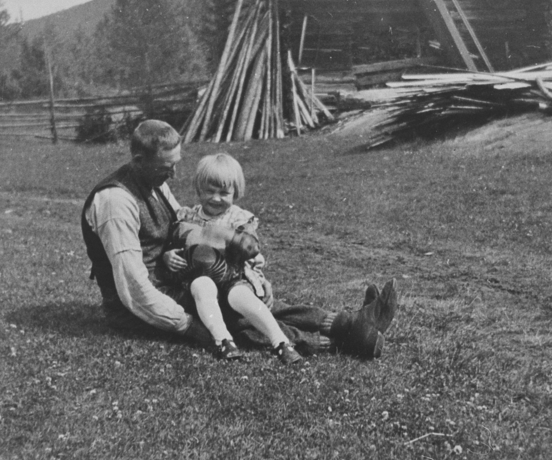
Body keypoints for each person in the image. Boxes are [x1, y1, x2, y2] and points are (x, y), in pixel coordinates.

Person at [81, 119, 398, 359]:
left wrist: (243, 266)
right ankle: (345, 338)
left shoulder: (153, 179)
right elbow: (133, 291)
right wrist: (189, 326)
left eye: (176, 165)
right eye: (168, 167)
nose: (174, 176)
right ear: (139, 161)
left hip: (174, 279)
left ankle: (344, 322)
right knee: (231, 313)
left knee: (247, 296)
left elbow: (183, 227)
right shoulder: (115, 202)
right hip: (146, 304)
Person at [163, 153, 302, 365]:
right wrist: (168, 255)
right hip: (199, 276)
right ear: (198, 189)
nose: (216, 198)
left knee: (242, 297)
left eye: (224, 192)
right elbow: (174, 243)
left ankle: (281, 342)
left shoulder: (239, 218)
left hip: (232, 275)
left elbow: (250, 245)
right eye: (209, 191)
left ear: (235, 192)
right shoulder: (189, 216)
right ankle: (223, 340)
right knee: (202, 286)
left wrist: (255, 257)